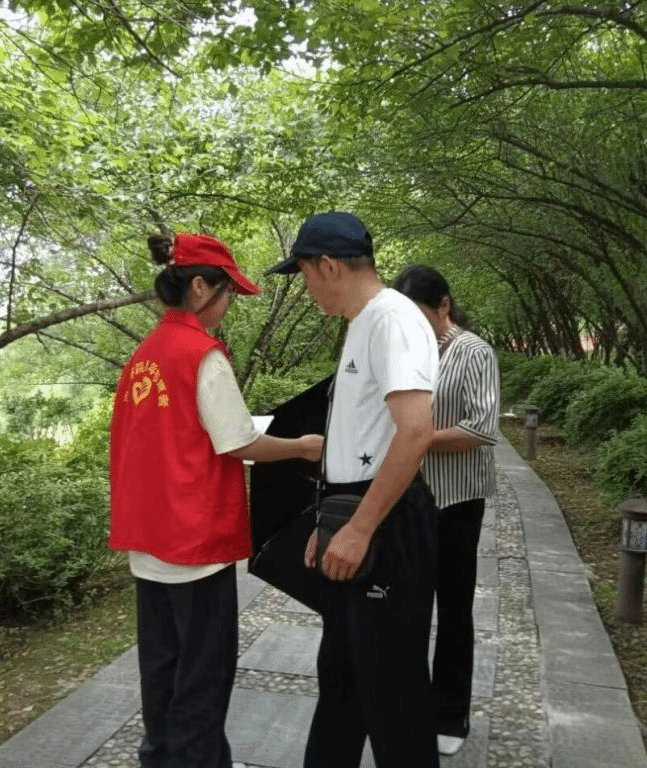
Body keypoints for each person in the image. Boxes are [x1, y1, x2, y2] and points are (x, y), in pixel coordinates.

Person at [109, 232, 323, 768]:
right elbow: (239, 441)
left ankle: (159, 758)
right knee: (203, 677)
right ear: (201, 287)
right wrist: (302, 446)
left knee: (161, 668)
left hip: (149, 539)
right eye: (228, 294)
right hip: (194, 542)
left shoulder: (145, 355)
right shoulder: (202, 355)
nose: (229, 305)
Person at [265, 211, 441, 768]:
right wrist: (329, 523)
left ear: (329, 265)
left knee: (393, 694)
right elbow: (361, 432)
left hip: (385, 520)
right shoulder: (364, 322)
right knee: (342, 678)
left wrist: (361, 527)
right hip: (350, 508)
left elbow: (415, 431)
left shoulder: (392, 319)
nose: (306, 289)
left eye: (303, 275)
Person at [392, 264, 500, 756]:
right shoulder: (405, 351)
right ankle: (409, 704)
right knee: (407, 603)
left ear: (444, 307)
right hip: (408, 494)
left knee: (453, 606)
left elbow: (482, 427)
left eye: (418, 314)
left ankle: (450, 714)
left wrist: (419, 440)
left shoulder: (473, 352)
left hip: (456, 498)